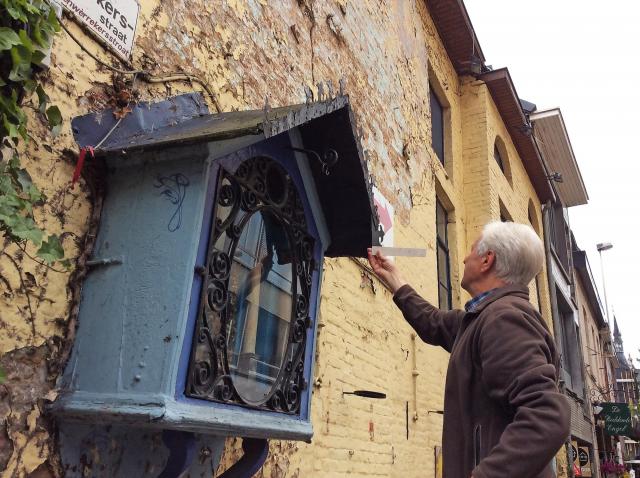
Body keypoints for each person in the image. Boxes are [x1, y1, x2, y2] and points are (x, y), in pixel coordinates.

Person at [367, 221, 570, 478]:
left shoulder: (503, 320)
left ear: (487, 260)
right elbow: (435, 322)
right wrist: (395, 280)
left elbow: (547, 415)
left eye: (472, 251)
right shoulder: (481, 320)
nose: (463, 259)